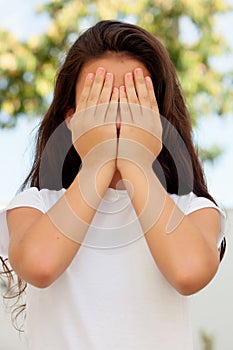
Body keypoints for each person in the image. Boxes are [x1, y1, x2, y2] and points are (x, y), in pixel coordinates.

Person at [0, 20, 226, 350]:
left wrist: (134, 162)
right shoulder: (35, 207)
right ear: (72, 119)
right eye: (102, 99)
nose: (118, 112)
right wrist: (98, 162)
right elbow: (40, 265)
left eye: (135, 101)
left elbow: (188, 272)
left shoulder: (192, 211)